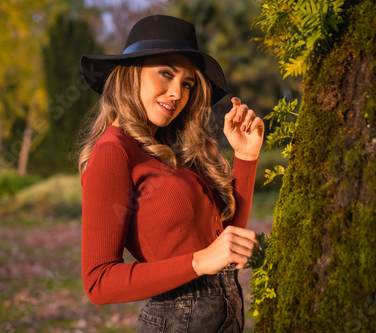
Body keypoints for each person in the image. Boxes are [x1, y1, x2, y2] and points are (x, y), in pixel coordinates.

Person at [78, 15, 264, 332]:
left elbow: (221, 245)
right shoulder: (115, 151)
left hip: (225, 315)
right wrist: (198, 262)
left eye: (187, 84)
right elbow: (98, 281)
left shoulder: (170, 152)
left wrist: (246, 157)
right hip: (178, 320)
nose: (177, 92)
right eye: (166, 73)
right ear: (130, 74)